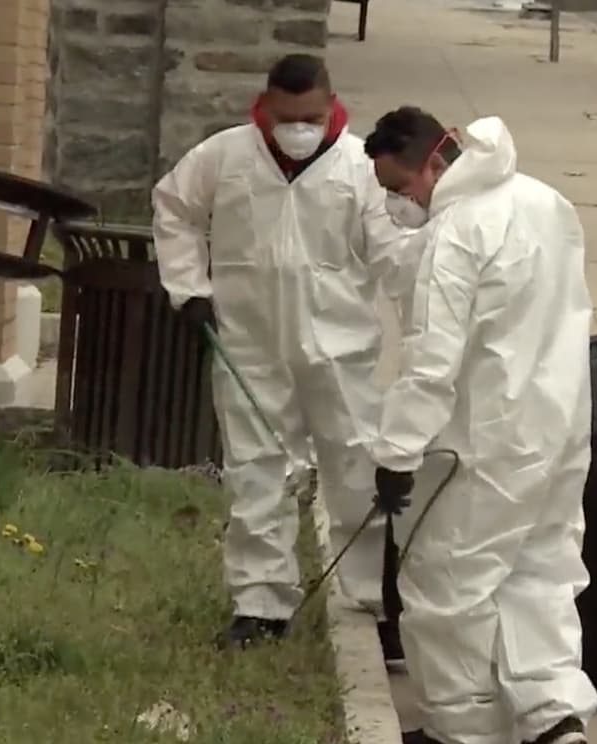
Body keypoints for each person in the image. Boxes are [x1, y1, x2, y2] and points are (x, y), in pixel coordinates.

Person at [151, 54, 415, 654]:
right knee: (254, 474)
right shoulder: (225, 157)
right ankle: (260, 603)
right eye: (287, 117)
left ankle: (378, 599)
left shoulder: (360, 170)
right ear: (265, 107)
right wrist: (189, 288)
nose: (299, 129)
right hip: (251, 346)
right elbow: (175, 209)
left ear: (331, 106)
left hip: (341, 352)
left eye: (312, 117)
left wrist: (424, 319)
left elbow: (394, 256)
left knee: (357, 472)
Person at [364, 107, 597, 744]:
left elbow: (431, 360)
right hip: (560, 426)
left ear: (433, 165)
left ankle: (461, 730)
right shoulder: (546, 202)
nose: (397, 205)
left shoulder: (456, 233)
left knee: (447, 581)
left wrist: (397, 453)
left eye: (398, 188)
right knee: (541, 571)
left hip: (485, 438)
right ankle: (553, 718)